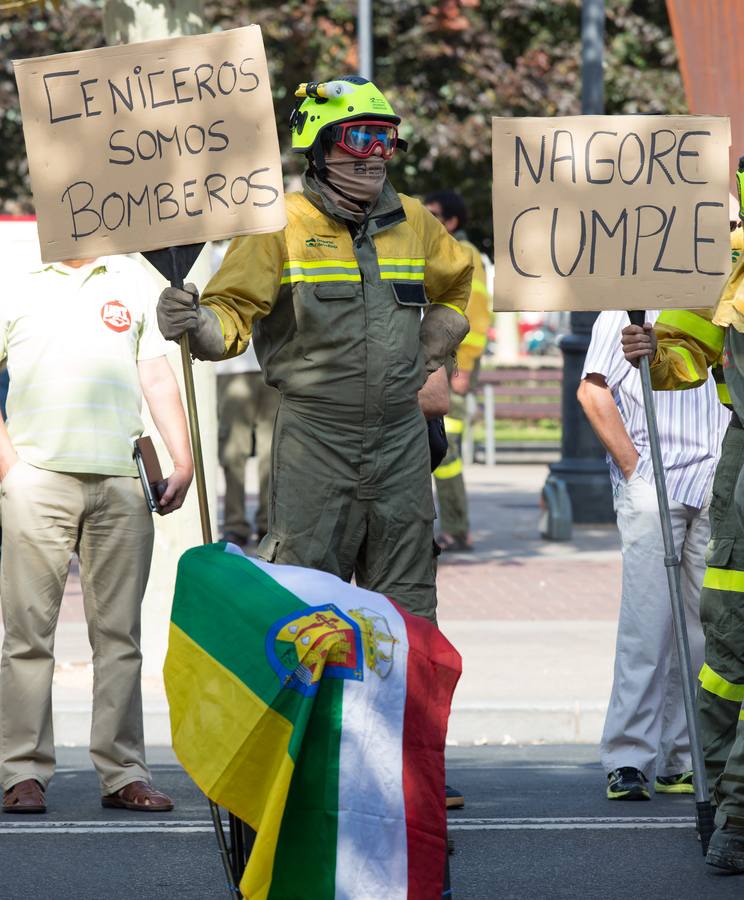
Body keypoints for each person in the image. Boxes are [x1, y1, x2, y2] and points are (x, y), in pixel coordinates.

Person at [156, 75, 473, 624]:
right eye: (359, 137)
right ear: (321, 144)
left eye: (386, 138)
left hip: (400, 441)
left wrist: (434, 344)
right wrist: (196, 323)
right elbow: (230, 313)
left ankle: (395, 714)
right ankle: (317, 714)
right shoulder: (277, 226)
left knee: (408, 611)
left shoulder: (415, 222)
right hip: (315, 444)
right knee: (306, 610)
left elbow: (457, 285)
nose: (376, 155)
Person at [0, 255, 193, 814]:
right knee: (27, 637)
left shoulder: (130, 275)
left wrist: (182, 457)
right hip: (39, 482)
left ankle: (124, 773)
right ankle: (22, 772)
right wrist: (11, 469)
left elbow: (154, 374)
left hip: (121, 483)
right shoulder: (17, 278)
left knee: (119, 637)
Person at [620, 206, 744, 871]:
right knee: (726, 642)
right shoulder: (731, 262)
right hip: (738, 473)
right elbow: (681, 358)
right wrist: (652, 350)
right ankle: (728, 805)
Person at [578, 310, 727, 803]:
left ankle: (682, 757)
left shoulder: (728, 302)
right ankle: (627, 758)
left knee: (703, 628)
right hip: (655, 482)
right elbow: (592, 390)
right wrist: (633, 469)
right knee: (647, 626)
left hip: (715, 484)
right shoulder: (626, 307)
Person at [424, 190, 490, 552]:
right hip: (443, 366)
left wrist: (463, 367)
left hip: (456, 368)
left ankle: (457, 527)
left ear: (451, 221)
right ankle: (452, 525)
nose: (426, 218)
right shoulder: (439, 250)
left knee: (446, 451)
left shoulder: (464, 254)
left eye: (433, 213)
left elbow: (475, 316)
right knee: (442, 450)